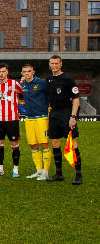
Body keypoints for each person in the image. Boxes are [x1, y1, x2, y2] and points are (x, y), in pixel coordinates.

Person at [45, 55, 82, 185]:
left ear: (61, 64)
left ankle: (78, 175)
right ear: (49, 64)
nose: (54, 66)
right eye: (52, 63)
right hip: (54, 113)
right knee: (55, 142)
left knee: (72, 143)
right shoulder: (48, 79)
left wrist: (73, 117)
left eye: (56, 63)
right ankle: (59, 173)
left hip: (66, 113)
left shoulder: (68, 79)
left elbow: (76, 99)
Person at [0, 63, 23, 178]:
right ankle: (0, 169)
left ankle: (15, 170)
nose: (1, 74)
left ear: (7, 72)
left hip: (12, 119)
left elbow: (24, 92)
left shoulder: (14, 84)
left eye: (3, 71)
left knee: (14, 144)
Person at [19, 64, 51, 181]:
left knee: (44, 144)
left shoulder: (42, 83)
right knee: (33, 144)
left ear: (33, 72)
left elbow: (50, 95)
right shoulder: (23, 85)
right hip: (29, 118)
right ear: (22, 73)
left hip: (41, 117)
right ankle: (38, 170)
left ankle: (46, 172)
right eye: (24, 72)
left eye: (29, 71)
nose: (27, 73)